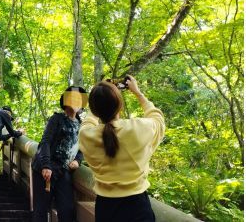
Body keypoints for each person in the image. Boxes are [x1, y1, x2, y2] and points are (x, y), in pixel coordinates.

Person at [79, 76, 165, 222]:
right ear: (120, 105)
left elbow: (89, 120)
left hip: (106, 209)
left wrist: (100, 95)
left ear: (94, 108)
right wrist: (138, 93)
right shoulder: (139, 129)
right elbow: (157, 119)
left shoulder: (86, 135)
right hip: (137, 207)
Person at [31, 85, 87, 222]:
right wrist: (46, 165)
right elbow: (45, 142)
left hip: (64, 171)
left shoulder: (82, 125)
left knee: (67, 210)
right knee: (41, 209)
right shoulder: (56, 119)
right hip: (46, 169)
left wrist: (78, 161)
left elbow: (82, 149)